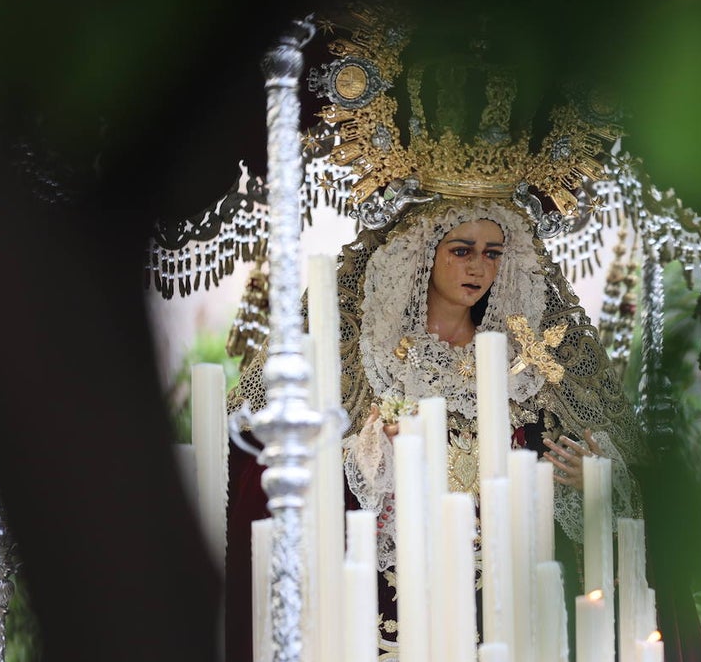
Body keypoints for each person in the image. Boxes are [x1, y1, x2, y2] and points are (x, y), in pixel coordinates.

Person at [226, 195, 644, 658]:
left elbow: (555, 469)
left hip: (504, 593)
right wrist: (374, 451)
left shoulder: (526, 367)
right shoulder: (370, 361)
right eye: (461, 250)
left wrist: (593, 480)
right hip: (396, 590)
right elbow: (288, 475)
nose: (479, 269)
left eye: (492, 253)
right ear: (425, 252)